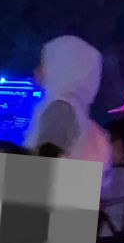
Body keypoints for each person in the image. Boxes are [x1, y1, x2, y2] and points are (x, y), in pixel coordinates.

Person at [25, 35, 111, 167]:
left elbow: (42, 166)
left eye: (44, 64)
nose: (36, 71)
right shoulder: (78, 112)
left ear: (62, 67)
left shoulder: (60, 108)